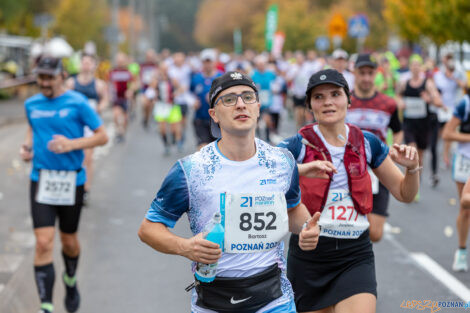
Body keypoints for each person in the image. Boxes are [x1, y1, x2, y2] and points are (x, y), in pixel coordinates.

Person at [138, 71, 321, 313]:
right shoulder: (192, 169)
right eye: (229, 99)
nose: (241, 104)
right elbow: (148, 229)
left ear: (257, 107)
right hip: (214, 301)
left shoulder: (282, 162)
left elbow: (293, 209)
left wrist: (307, 227)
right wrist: (186, 247)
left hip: (274, 299)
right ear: (214, 115)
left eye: (248, 97)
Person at [278, 69, 420, 313]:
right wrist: (299, 170)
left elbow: (404, 194)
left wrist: (412, 169)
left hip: (355, 255)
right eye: (319, 97)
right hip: (309, 255)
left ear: (348, 99)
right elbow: (262, 182)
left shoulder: (368, 143)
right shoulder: (295, 146)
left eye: (335, 94)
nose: (328, 102)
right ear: (310, 105)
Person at [20, 56, 108, 313]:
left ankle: (70, 280)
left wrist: (71, 145)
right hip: (41, 179)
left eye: (49, 77)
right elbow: (32, 128)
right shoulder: (31, 104)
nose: (44, 82)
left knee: (68, 241)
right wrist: (26, 147)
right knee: (44, 242)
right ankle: (46, 304)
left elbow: (102, 136)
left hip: (71, 180)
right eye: (41, 76)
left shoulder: (77, 102)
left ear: (61, 76)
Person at [346, 53, 403, 242]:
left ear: (375, 74)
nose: (366, 78)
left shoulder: (388, 104)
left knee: (375, 234)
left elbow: (397, 130)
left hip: (377, 171)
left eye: (370, 73)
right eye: (362, 73)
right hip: (347, 172)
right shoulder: (343, 102)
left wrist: (395, 149)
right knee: (347, 225)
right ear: (354, 73)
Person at [396, 54, 441, 200]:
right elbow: (397, 96)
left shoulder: (427, 83)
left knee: (419, 156)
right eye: (413, 64)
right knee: (411, 150)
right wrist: (400, 102)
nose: (415, 67)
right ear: (410, 67)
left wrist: (430, 99)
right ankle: (406, 183)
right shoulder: (405, 83)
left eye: (417, 64)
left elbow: (437, 100)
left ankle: (416, 184)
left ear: (421, 67)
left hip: (423, 124)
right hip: (409, 123)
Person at [65, 53, 108, 204]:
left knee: (88, 157)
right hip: (74, 123)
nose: (86, 65)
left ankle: (85, 190)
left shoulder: (99, 84)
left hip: (90, 125)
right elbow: (65, 99)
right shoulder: (71, 83)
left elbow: (105, 100)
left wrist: (97, 109)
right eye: (83, 62)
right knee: (72, 154)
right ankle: (71, 184)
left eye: (89, 62)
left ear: (94, 65)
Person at [442, 87, 470, 272]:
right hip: (465, 160)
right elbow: (447, 133)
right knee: (466, 207)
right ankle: (461, 250)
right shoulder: (465, 103)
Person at [190, 49, 222, 149]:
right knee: (203, 148)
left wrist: (216, 100)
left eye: (209, 61)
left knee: (218, 149)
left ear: (214, 62)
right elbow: (189, 93)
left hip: (218, 120)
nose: (207, 64)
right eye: (205, 62)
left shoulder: (221, 77)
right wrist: (192, 102)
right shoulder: (196, 78)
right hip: (200, 118)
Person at [108, 52, 135, 142]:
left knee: (125, 118)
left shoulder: (128, 72)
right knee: (116, 115)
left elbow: (134, 83)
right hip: (116, 98)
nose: (120, 62)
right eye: (118, 61)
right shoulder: (112, 72)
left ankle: (123, 132)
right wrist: (109, 94)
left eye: (121, 61)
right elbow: (108, 83)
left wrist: (130, 90)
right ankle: (118, 131)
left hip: (125, 98)